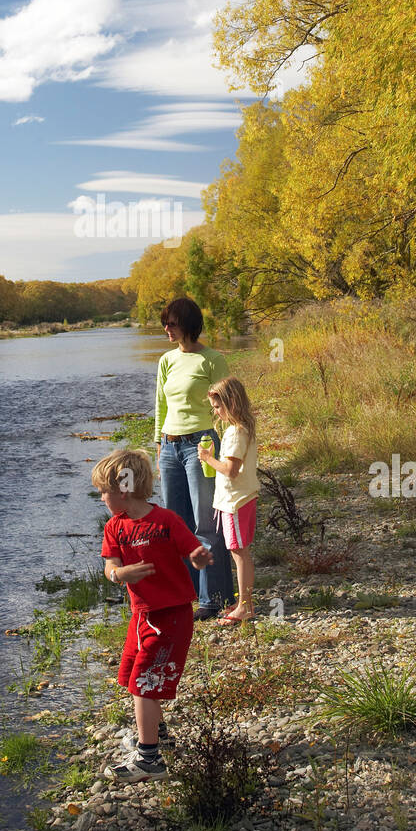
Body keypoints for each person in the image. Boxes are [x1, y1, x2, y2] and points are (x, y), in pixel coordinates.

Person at [93, 447, 212, 782]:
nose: (101, 497)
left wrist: (200, 557)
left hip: (170, 616)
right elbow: (110, 565)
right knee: (132, 676)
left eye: (104, 491)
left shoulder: (166, 520)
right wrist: (119, 574)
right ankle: (158, 735)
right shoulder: (114, 527)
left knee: (146, 684)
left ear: (124, 488)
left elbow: (193, 550)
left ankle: (149, 760)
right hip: (141, 616)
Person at [155, 296, 235, 619]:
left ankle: (213, 597)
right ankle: (183, 592)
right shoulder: (165, 361)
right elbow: (161, 405)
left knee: (206, 524)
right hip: (169, 447)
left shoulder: (212, 359)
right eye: (164, 323)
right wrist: (158, 444)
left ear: (187, 324)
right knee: (175, 525)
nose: (166, 329)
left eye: (171, 323)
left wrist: (229, 448)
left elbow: (228, 407)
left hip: (201, 446)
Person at [198, 377, 260, 625]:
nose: (216, 411)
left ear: (231, 402)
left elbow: (231, 470)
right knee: (240, 551)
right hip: (243, 497)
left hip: (235, 501)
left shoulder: (235, 432)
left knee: (239, 552)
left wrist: (207, 459)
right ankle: (245, 602)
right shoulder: (244, 427)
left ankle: (245, 606)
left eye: (217, 406)